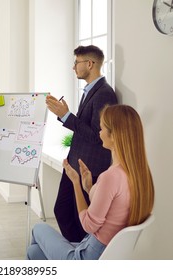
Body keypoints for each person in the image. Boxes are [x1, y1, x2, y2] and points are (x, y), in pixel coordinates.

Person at [27, 104, 155, 260]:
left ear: (114, 135)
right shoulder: (140, 175)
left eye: (102, 129)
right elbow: (112, 209)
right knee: (34, 252)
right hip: (108, 253)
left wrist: (75, 182)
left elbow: (88, 225)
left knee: (38, 228)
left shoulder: (111, 176)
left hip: (88, 257)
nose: (99, 133)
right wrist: (88, 187)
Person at [46, 45, 118, 242]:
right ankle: (76, 253)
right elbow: (85, 127)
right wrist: (66, 115)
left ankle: (80, 259)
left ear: (90, 63)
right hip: (76, 164)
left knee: (79, 219)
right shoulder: (91, 90)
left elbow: (97, 135)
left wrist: (66, 116)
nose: (73, 67)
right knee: (62, 211)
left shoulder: (104, 93)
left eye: (76, 63)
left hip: (90, 168)